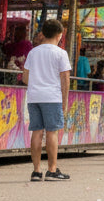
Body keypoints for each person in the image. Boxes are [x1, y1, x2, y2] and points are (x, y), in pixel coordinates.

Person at [22, 19, 71, 181]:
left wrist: (38, 83)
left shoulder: (33, 52)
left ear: (43, 33)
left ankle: (36, 171)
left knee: (36, 131)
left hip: (34, 96)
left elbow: (24, 78)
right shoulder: (61, 53)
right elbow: (65, 79)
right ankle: (52, 169)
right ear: (59, 35)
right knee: (52, 132)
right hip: (52, 97)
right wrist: (64, 101)